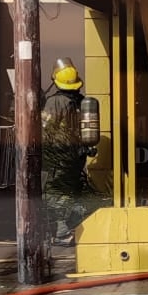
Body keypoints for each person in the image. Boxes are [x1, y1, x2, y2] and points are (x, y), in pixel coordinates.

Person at [42, 57, 96, 246]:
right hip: (78, 155)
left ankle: (62, 234)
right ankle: (75, 226)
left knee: (54, 194)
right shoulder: (83, 101)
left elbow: (45, 129)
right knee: (72, 190)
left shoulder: (54, 102)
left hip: (58, 157)